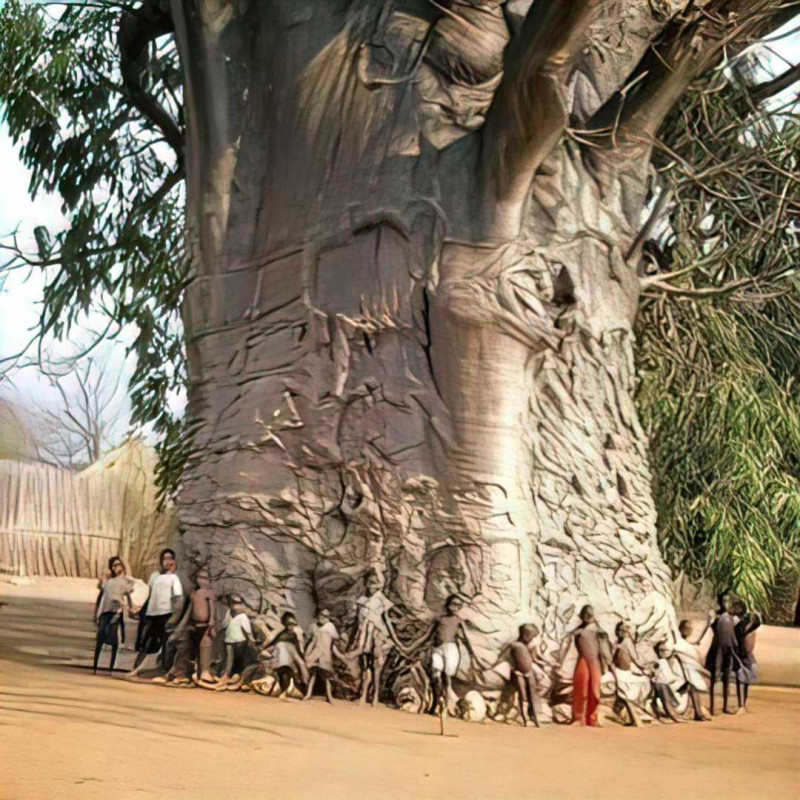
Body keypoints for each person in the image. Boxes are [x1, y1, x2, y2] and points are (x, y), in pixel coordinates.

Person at [406, 594, 487, 732]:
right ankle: (438, 700)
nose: (456, 607)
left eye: (459, 605)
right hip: (438, 648)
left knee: (446, 678)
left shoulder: (459, 621)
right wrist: (411, 647)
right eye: (454, 604)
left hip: (450, 649)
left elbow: (466, 638)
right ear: (448, 605)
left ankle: (445, 703)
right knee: (435, 674)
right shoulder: (439, 620)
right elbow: (427, 636)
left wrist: (473, 656)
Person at [348, 571, 406, 707]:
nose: (372, 586)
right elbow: (357, 623)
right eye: (371, 582)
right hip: (364, 637)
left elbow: (390, 618)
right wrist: (352, 640)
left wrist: (391, 635)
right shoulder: (362, 600)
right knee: (366, 667)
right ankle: (363, 695)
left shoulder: (382, 600)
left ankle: (374, 697)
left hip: (377, 635)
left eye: (375, 583)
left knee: (377, 668)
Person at [128, 548, 184, 678]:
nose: (167, 562)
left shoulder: (175, 577)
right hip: (151, 614)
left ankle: (163, 669)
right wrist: (142, 612)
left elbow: (178, 597)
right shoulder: (155, 576)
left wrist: (175, 616)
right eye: (165, 559)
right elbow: (150, 595)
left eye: (170, 558)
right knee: (146, 642)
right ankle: (135, 669)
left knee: (165, 642)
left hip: (166, 613)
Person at [567, 605, 611, 727]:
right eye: (585, 614)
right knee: (581, 689)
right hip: (583, 660)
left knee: (595, 691)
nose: (587, 616)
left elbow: (605, 650)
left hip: (595, 661)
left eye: (589, 614)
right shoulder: (577, 632)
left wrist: (606, 663)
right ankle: (578, 718)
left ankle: (592, 718)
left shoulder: (600, 632)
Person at [611, 621, 652, 727]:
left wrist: (644, 668)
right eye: (621, 630)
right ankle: (634, 719)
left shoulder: (627, 643)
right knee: (624, 697)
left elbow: (635, 658)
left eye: (625, 630)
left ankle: (636, 720)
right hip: (618, 672)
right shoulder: (616, 643)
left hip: (625, 673)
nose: (623, 632)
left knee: (626, 697)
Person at [674, 616, 713, 721]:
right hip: (677, 686)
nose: (689, 630)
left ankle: (697, 711)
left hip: (681, 682)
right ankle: (698, 713)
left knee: (692, 683)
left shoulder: (681, 644)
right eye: (688, 628)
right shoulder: (681, 646)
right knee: (693, 684)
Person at [705, 593, 737, 715]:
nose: (726, 603)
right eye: (724, 600)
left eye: (728, 601)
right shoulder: (715, 615)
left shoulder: (732, 617)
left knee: (727, 676)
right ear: (720, 601)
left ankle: (725, 706)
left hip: (728, 648)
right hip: (717, 647)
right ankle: (713, 707)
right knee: (715, 676)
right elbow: (707, 627)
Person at [264, 611, 308, 698]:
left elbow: (297, 647)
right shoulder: (282, 634)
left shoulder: (294, 635)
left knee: (301, 665)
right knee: (282, 670)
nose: (291, 626)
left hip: (291, 655)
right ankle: (282, 689)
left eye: (293, 624)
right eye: (289, 624)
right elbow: (273, 642)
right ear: (285, 624)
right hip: (281, 657)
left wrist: (301, 657)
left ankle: (304, 687)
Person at [303, 608, 343, 703]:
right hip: (316, 652)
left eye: (325, 616)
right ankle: (308, 694)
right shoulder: (314, 626)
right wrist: (307, 653)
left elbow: (336, 638)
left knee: (326, 676)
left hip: (325, 653)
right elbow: (311, 641)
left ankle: (329, 696)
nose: (323, 618)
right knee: (313, 674)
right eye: (322, 615)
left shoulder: (330, 627)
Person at [508, 624, 542, 728]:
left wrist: (548, 663)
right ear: (525, 635)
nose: (532, 639)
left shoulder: (529, 647)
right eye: (531, 636)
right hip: (519, 673)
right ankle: (525, 718)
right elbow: (505, 657)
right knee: (523, 696)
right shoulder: (515, 645)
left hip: (529, 673)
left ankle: (534, 718)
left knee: (532, 695)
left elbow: (536, 659)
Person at [733, 599, 761, 713]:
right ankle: (742, 705)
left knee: (742, 680)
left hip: (741, 656)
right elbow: (748, 648)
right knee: (744, 681)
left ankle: (741, 705)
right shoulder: (748, 630)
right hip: (744, 656)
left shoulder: (742, 628)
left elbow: (747, 647)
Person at [221, 595, 255, 683]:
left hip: (240, 640)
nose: (235, 606)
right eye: (233, 603)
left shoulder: (243, 616)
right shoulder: (229, 615)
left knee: (238, 658)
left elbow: (247, 629)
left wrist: (251, 639)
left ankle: (236, 675)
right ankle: (226, 674)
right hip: (229, 640)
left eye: (238, 603)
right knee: (229, 658)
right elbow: (224, 625)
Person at [650, 641, 684, 723]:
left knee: (656, 701)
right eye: (661, 650)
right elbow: (657, 673)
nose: (664, 652)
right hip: (660, 683)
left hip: (662, 682)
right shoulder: (659, 661)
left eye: (665, 650)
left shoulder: (663, 660)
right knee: (666, 701)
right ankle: (673, 717)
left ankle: (659, 716)